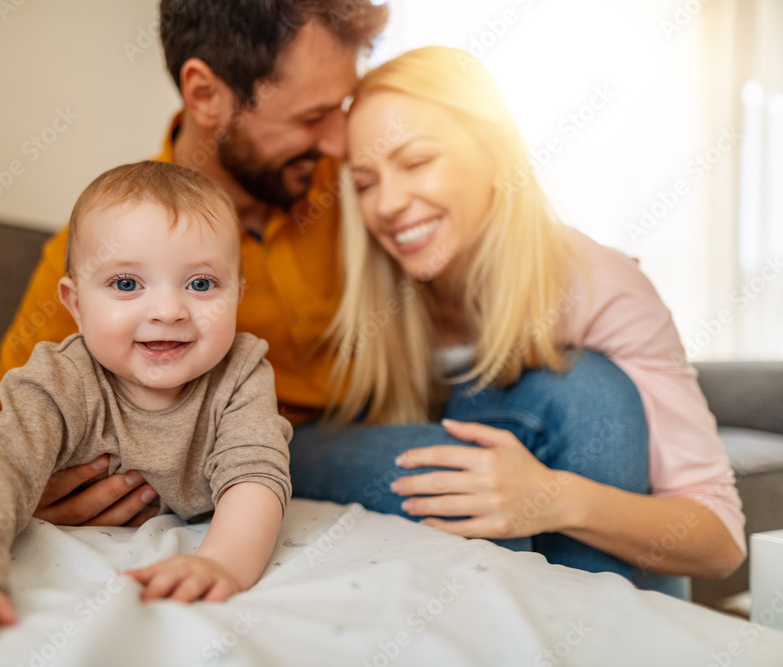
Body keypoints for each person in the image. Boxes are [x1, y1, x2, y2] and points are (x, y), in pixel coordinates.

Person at [307, 45, 743, 590]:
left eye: (417, 161)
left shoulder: (596, 284)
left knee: (591, 390)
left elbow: (722, 544)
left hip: (594, 512)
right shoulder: (374, 292)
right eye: (366, 182)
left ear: (493, 154)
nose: (388, 203)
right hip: (428, 471)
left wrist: (553, 499)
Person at [0, 0, 389, 528]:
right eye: (312, 116)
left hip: (387, 410)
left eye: (342, 107)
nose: (340, 141)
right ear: (206, 94)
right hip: (258, 446)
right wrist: (33, 488)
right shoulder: (104, 257)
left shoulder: (360, 183)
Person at [0, 161, 293, 651]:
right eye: (127, 284)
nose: (168, 311)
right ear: (74, 302)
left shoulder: (242, 371)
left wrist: (220, 562)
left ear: (237, 293)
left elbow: (254, 472)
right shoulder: (61, 379)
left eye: (201, 284)